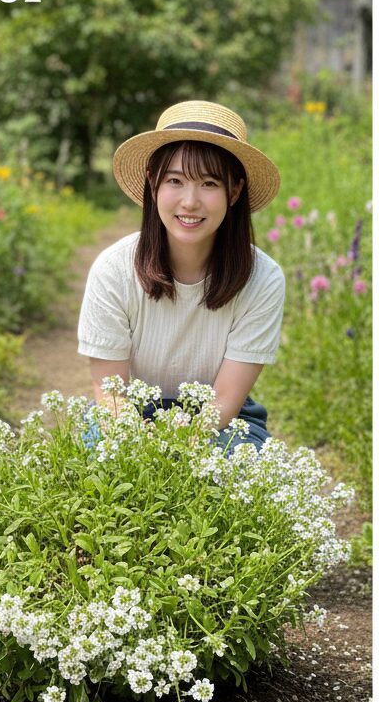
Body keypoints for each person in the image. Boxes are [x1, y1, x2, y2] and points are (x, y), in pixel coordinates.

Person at [77, 101, 285, 450]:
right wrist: (142, 442)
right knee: (104, 458)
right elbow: (111, 395)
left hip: (219, 418)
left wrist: (174, 448)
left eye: (209, 183)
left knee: (236, 464)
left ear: (234, 191)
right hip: (130, 412)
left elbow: (225, 401)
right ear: (153, 183)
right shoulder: (113, 270)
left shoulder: (262, 278)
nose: (190, 202)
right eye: (175, 180)